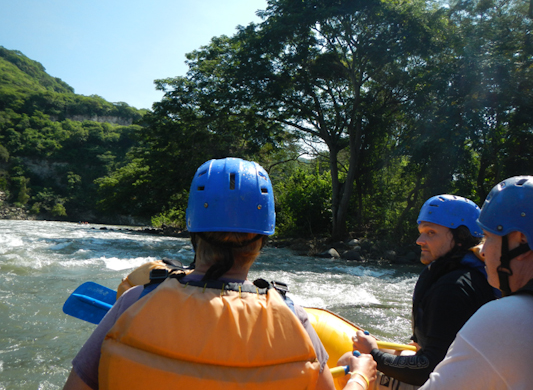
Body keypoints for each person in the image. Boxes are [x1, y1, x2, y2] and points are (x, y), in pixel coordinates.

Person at [63, 157, 376, 390]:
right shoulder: (292, 317)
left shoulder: (135, 300)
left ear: (193, 230)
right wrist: (361, 374)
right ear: (262, 241)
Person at [353, 194, 496, 389]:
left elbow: (428, 369)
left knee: (348, 361)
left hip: (449, 382)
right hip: (463, 375)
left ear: (460, 237)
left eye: (431, 233)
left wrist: (373, 353)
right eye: (421, 232)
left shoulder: (453, 288)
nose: (420, 240)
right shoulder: (467, 274)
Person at [417, 176, 533, 389]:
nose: (482, 249)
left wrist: (361, 372)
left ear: (521, 240)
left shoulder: (504, 317)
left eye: (488, 237)